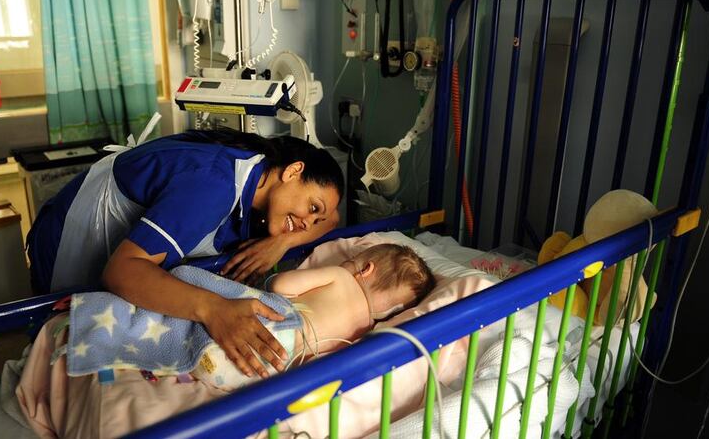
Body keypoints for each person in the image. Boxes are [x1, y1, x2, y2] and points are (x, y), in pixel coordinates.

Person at [26, 126, 344, 377]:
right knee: (54, 340)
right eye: (312, 207)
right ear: (292, 171)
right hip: (69, 237)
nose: (308, 223)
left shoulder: (255, 176)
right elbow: (121, 271)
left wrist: (284, 241)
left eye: (315, 217)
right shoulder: (215, 185)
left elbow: (333, 220)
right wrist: (214, 309)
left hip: (110, 240)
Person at [194, 243, 437, 390]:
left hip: (270, 326)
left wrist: (269, 282)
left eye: (351, 261)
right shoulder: (363, 331)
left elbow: (281, 285)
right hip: (274, 362)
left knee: (207, 289)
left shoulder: (341, 277)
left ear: (366, 269)